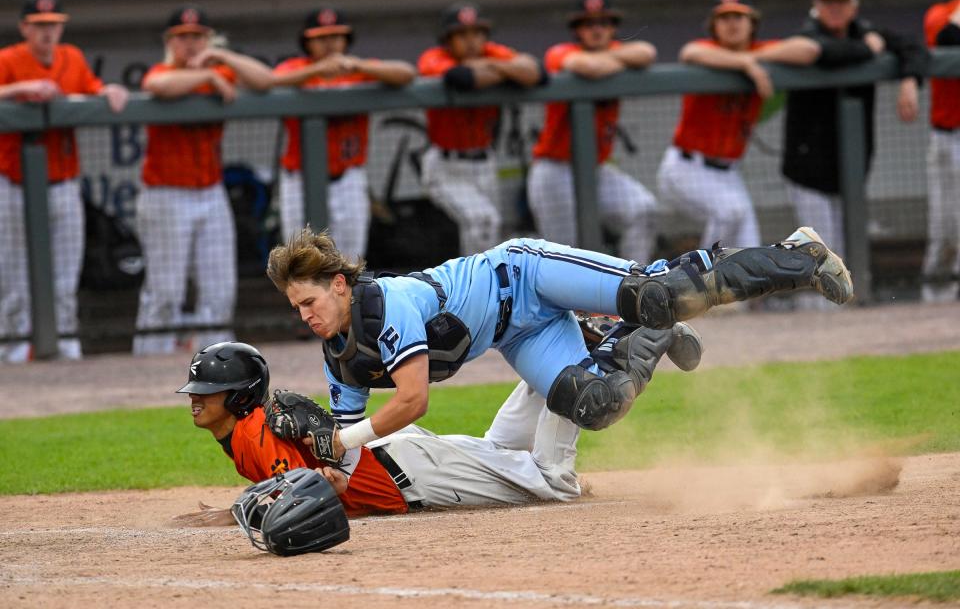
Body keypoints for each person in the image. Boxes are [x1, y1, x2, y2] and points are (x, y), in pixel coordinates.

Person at [264, 225, 852, 464]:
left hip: (524, 273)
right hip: (518, 332)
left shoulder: (386, 305)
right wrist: (303, 475)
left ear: (340, 285)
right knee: (598, 405)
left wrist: (344, 438)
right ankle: (649, 335)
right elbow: (343, 454)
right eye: (297, 309)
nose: (306, 316)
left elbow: (412, 403)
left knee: (654, 292)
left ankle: (798, 255)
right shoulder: (342, 358)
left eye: (310, 302)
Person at [175, 319, 701, 523]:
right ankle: (584, 343)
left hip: (411, 475)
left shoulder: (250, 433)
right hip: (404, 461)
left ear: (238, 395)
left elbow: (319, 487)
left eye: (208, 392)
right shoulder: (251, 430)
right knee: (502, 450)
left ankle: (615, 355)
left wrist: (233, 512)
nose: (197, 400)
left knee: (554, 485)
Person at [132, 6, 273, 356]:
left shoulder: (221, 66)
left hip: (210, 192)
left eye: (198, 36)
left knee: (219, 289)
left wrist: (220, 57)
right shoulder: (166, 71)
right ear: (170, 42)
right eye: (183, 37)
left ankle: (219, 364)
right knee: (166, 291)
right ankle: (149, 363)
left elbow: (265, 81)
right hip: (165, 193)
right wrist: (207, 78)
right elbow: (157, 85)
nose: (191, 43)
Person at [0, 0, 128, 363]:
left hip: (63, 183)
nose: (47, 31)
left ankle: (67, 345)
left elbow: (91, 88)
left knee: (65, 273)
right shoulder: (9, 60)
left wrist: (109, 90)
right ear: (24, 27)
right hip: (14, 184)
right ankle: (13, 348)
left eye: (53, 24)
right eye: (39, 25)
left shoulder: (71, 56)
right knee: (13, 274)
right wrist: (18, 90)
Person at [657, 0, 820, 250]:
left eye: (739, 17)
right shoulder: (707, 49)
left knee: (748, 248)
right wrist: (745, 63)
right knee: (729, 213)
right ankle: (702, 279)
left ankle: (729, 287)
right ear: (714, 25)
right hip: (686, 167)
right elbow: (689, 52)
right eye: (724, 18)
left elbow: (809, 50)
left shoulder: (759, 51)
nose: (732, 23)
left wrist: (754, 59)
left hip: (729, 171)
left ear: (752, 23)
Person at [781, 0, 928, 265]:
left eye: (841, 2)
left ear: (854, 7)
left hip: (849, 169)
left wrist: (909, 80)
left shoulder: (866, 32)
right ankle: (813, 306)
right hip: (807, 169)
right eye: (828, 3)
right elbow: (827, 52)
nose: (835, 8)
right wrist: (868, 49)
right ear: (816, 6)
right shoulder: (808, 35)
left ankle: (841, 305)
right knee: (819, 249)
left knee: (845, 249)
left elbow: (912, 45)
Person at [272, 8, 415, 257]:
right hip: (299, 180)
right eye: (321, 37)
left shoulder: (359, 69)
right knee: (299, 261)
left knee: (349, 261)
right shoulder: (296, 68)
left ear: (346, 40)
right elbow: (269, 81)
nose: (329, 44)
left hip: (348, 178)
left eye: (336, 36)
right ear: (307, 42)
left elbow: (406, 74)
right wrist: (316, 71)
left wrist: (359, 65)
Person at [527, 0, 658, 264]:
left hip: (595, 170)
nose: (597, 29)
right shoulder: (561, 52)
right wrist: (618, 62)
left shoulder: (618, 52)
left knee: (643, 209)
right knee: (563, 253)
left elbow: (647, 52)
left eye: (603, 23)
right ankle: (569, 308)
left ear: (613, 28)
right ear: (577, 30)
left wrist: (608, 62)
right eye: (588, 24)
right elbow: (586, 66)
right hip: (554, 170)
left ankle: (632, 286)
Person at [417, 2, 544, 255]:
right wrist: (505, 71)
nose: (472, 41)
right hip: (446, 163)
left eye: (477, 33)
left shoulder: (491, 53)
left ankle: (481, 289)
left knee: (490, 233)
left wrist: (493, 67)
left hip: (485, 161)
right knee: (483, 220)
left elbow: (537, 72)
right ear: (447, 40)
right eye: (462, 35)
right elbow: (463, 79)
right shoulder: (434, 57)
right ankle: (473, 289)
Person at [921, 0, 960, 303]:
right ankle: (934, 300)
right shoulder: (940, 14)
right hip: (949, 140)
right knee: (946, 228)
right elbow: (948, 37)